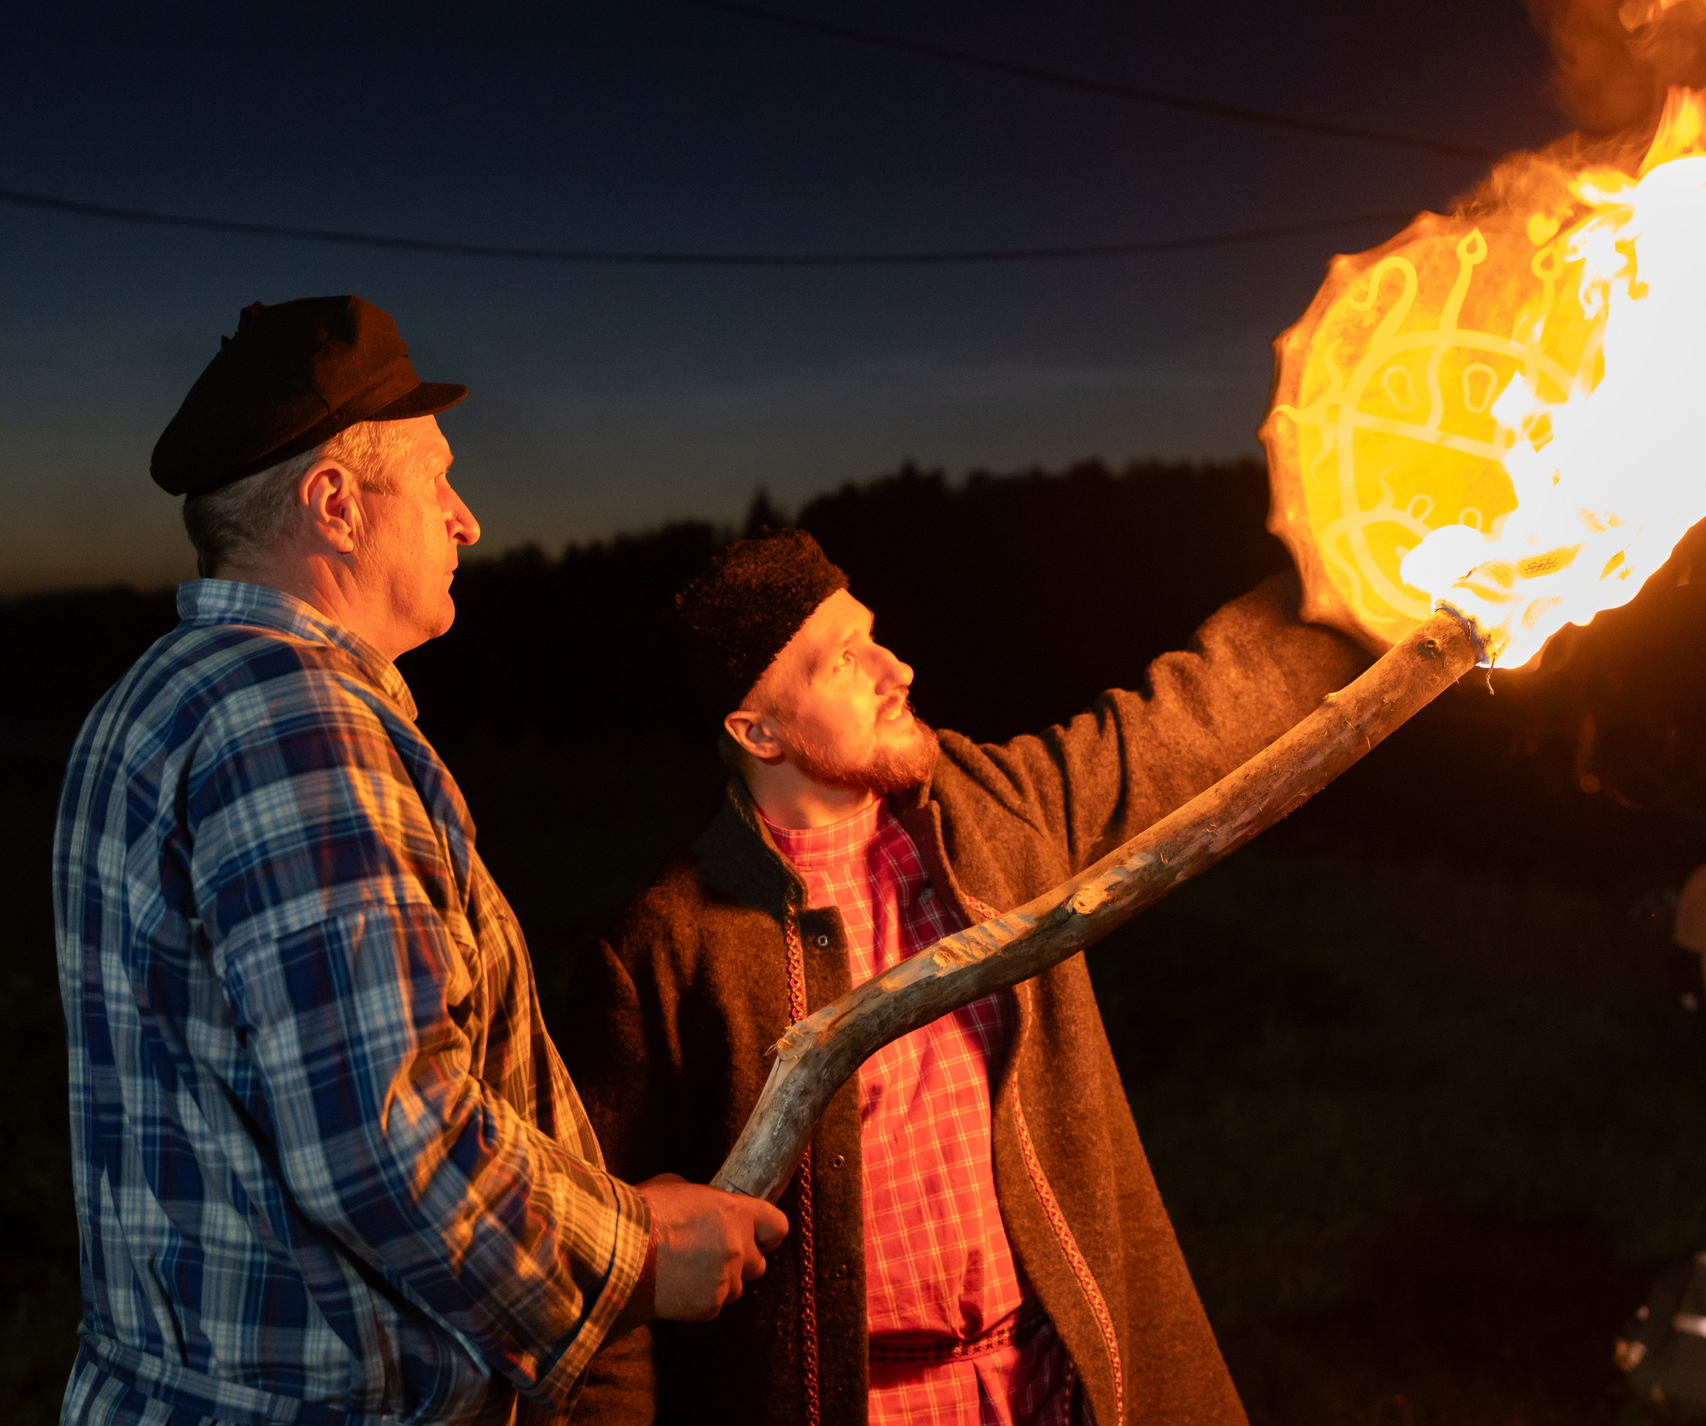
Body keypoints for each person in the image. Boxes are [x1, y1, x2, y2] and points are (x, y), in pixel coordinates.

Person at [54, 297, 785, 1426]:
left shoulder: (153, 700)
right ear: (336, 505)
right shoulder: (295, 726)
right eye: (436, 480)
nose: (467, 519)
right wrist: (633, 1254)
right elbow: (382, 1140)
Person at [563, 529, 1369, 1426]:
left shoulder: (995, 814)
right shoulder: (667, 947)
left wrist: (1363, 576)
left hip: (1052, 1384)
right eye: (843, 660)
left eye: (873, 633)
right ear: (757, 730)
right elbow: (614, 1279)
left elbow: (1193, 712)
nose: (896, 666)